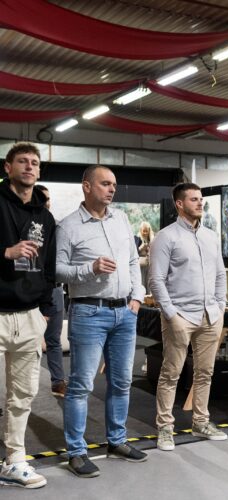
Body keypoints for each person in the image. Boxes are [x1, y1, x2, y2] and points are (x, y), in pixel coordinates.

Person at [56, 165, 147, 478]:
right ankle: (76, 451)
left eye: (114, 185)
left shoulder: (121, 219)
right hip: (88, 312)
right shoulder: (68, 226)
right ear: (87, 186)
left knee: (121, 382)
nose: (111, 189)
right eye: (105, 184)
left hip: (125, 313)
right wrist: (90, 268)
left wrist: (137, 298)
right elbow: (57, 271)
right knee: (81, 385)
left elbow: (132, 261)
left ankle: (117, 441)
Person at [149, 182, 227, 451]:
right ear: (179, 204)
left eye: (200, 199)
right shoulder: (166, 237)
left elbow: (220, 274)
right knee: (171, 373)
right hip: (180, 316)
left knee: (205, 372)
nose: (200, 203)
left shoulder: (210, 236)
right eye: (194, 199)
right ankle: (165, 428)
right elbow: (156, 280)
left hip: (210, 316)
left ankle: (201, 422)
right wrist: (171, 315)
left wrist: (220, 307)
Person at [0, 142, 56, 489]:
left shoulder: (44, 217)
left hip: (30, 315)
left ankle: (15, 460)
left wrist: (46, 312)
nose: (30, 166)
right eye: (22, 161)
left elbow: (48, 268)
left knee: (22, 395)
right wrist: (6, 252)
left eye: (35, 162)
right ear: (8, 167)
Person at [38, 184, 66, 397]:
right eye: (42, 198)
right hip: (31, 291)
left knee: (54, 339)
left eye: (47, 199)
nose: (46, 203)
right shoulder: (22, 226)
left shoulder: (57, 227)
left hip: (55, 290)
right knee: (23, 343)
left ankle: (58, 381)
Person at [137, 221, 154, 294]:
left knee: (149, 283)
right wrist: (141, 248)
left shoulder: (151, 239)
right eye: (144, 231)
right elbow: (134, 252)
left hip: (149, 264)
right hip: (141, 265)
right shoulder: (137, 238)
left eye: (147, 231)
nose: (145, 233)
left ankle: (148, 297)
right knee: (142, 282)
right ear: (141, 230)